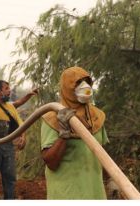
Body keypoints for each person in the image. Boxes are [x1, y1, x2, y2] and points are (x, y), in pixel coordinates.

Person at [41, 66, 109, 199]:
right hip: (66, 193)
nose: (84, 86)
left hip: (95, 192)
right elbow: (51, 163)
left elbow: (102, 154)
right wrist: (64, 135)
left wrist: (112, 181)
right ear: (67, 87)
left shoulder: (97, 117)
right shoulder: (53, 117)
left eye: (87, 82)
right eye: (78, 83)